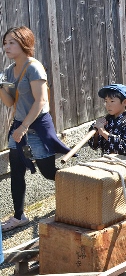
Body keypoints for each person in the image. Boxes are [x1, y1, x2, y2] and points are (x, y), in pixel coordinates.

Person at [0, 26, 70, 232]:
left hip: (36, 127)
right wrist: (1, 85)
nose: (7, 46)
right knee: (16, 171)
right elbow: (10, 102)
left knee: (48, 172)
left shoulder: (34, 68)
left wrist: (23, 127)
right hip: (19, 127)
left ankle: (77, 190)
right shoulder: (8, 71)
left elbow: (40, 101)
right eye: (5, 43)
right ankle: (19, 216)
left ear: (24, 43)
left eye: (12, 42)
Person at [87, 84, 126, 156]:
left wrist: (104, 132)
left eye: (112, 101)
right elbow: (94, 146)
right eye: (106, 101)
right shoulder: (107, 121)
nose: (108, 105)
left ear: (125, 102)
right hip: (106, 161)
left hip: (124, 163)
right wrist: (96, 132)